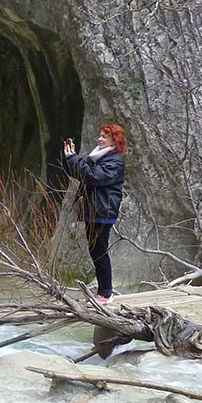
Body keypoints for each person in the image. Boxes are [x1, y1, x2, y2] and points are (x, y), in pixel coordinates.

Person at [61, 124, 126, 305]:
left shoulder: (115, 161)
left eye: (104, 136)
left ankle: (106, 294)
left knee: (99, 252)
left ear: (115, 140)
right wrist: (68, 157)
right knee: (95, 251)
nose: (100, 139)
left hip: (103, 213)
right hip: (93, 211)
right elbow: (79, 173)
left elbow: (93, 177)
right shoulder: (98, 156)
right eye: (100, 135)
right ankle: (103, 292)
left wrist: (75, 159)